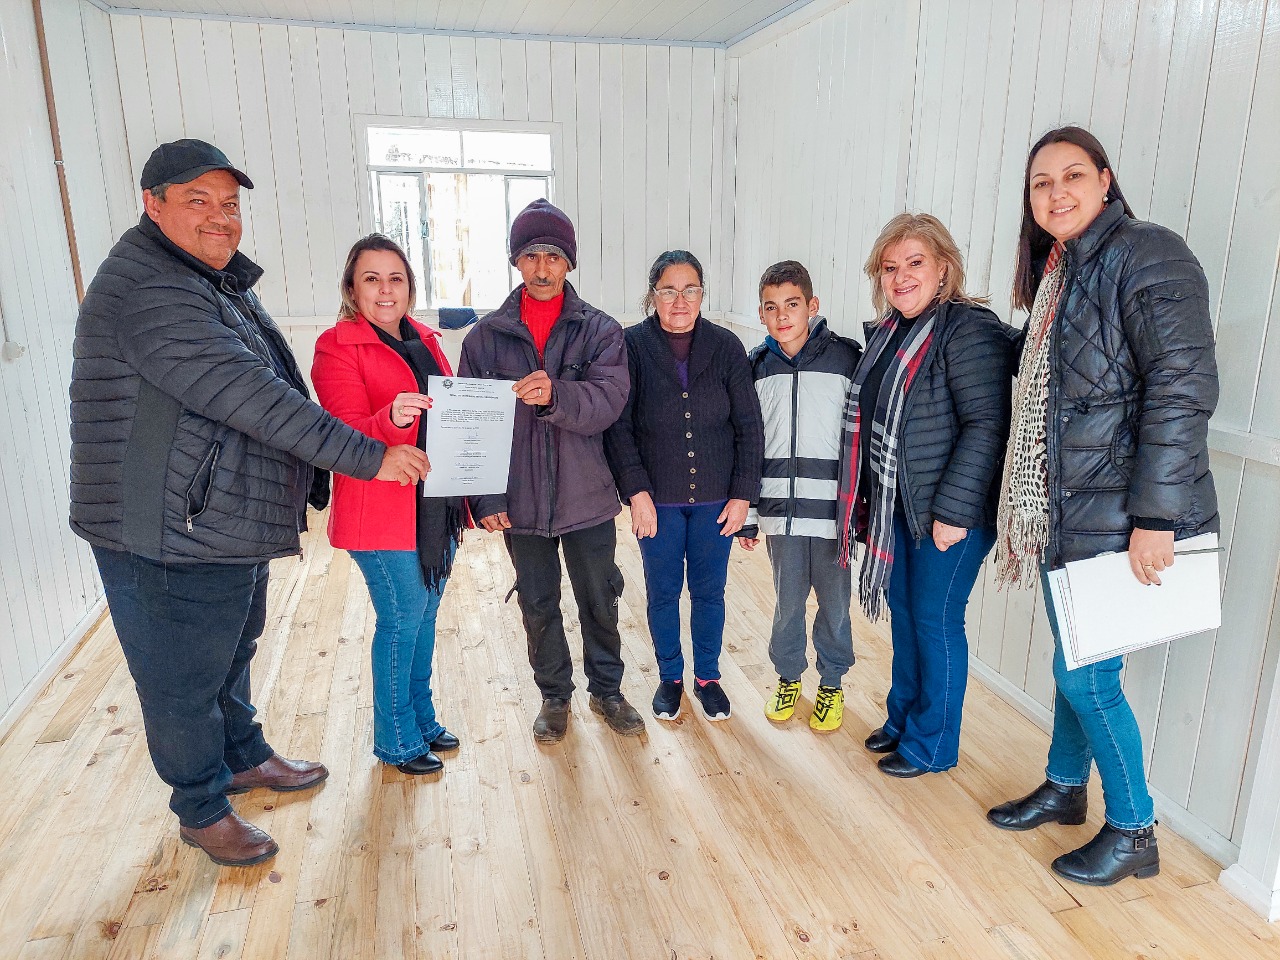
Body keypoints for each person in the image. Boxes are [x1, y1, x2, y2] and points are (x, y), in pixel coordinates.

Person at [68, 139, 430, 867]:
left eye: (229, 204)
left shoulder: (211, 278)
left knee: (231, 650)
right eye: (197, 200)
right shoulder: (151, 288)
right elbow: (252, 397)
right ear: (153, 204)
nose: (218, 217)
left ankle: (241, 755)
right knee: (183, 677)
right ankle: (201, 808)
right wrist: (367, 456)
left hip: (212, 517)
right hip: (166, 527)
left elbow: (274, 381)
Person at [986, 126, 1219, 886]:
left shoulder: (1147, 254)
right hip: (1068, 508)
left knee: (1089, 677)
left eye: (1072, 176)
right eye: (1041, 183)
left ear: (1106, 180)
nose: (1056, 193)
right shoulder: (1064, 271)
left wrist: (1157, 517)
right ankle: (1063, 786)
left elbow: (1181, 391)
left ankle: (1134, 828)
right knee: (1073, 662)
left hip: (1121, 518)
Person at [459, 198, 645, 743]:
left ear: (569, 263)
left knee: (599, 598)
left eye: (554, 256)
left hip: (587, 498)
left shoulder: (602, 332)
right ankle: (554, 696)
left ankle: (607, 690)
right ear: (517, 261)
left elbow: (610, 401)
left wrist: (557, 394)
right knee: (537, 602)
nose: (543, 267)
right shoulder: (483, 338)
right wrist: (486, 499)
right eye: (532, 255)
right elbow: (473, 426)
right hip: (518, 501)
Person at [836, 213, 1014, 778]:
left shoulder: (968, 329)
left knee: (935, 621)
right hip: (901, 511)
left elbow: (987, 424)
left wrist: (954, 512)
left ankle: (933, 744)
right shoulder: (889, 333)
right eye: (890, 267)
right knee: (906, 616)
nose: (901, 277)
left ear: (944, 268)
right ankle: (904, 718)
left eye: (915, 263)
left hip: (949, 516)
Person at [312, 235, 465, 778]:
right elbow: (339, 433)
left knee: (423, 619)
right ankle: (395, 739)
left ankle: (421, 720)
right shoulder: (336, 347)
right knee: (402, 620)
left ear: (410, 287)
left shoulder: (426, 339)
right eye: (371, 278)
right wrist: (391, 420)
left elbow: (451, 418)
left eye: (395, 278)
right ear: (352, 289)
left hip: (431, 509)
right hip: (378, 512)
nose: (384, 289)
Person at [605, 251, 764, 723]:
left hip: (718, 499)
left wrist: (743, 495)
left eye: (690, 289)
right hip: (657, 502)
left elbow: (749, 427)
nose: (680, 300)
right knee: (662, 593)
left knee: (710, 593)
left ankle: (708, 677)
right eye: (669, 290)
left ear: (701, 294)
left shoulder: (726, 346)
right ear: (652, 295)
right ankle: (671, 677)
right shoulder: (630, 345)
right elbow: (619, 428)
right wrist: (636, 493)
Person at [745, 261, 862, 731]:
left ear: (812, 306)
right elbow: (748, 445)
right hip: (780, 514)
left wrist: (862, 512)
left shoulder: (847, 360)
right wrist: (751, 513)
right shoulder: (755, 367)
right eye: (772, 308)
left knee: (835, 604)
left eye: (792, 304)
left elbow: (862, 443)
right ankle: (788, 675)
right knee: (787, 601)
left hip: (834, 516)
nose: (782, 315)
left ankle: (831, 683)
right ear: (761, 313)